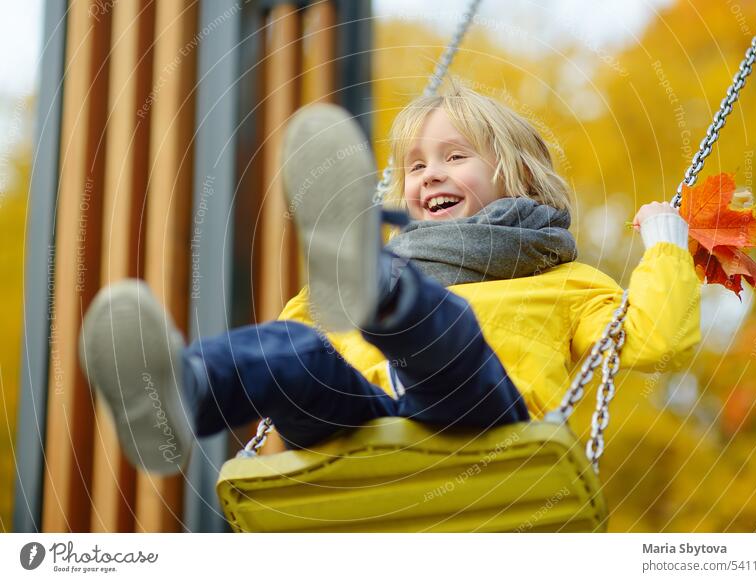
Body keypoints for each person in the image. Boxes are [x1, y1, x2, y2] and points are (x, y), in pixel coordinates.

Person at [79, 82, 700, 475]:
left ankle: (387, 289)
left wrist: (666, 247)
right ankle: (179, 393)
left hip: (489, 435)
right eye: (416, 165)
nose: (430, 174)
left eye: (456, 157)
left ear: (521, 177)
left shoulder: (563, 280)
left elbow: (655, 342)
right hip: (364, 430)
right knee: (293, 349)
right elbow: (298, 337)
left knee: (446, 331)